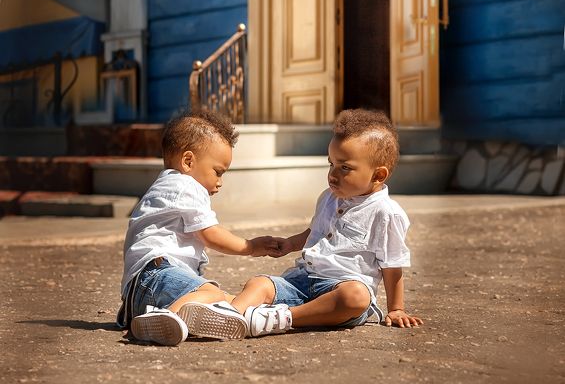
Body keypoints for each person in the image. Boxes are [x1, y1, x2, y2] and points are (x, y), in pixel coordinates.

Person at [180, 108, 423, 338]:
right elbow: (314, 233)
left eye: (345, 167)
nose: (333, 174)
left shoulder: (386, 213)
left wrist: (396, 308)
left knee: (357, 298)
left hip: (341, 288)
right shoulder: (328, 198)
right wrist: (289, 244)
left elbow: (392, 265)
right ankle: (229, 316)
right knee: (260, 283)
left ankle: (283, 318)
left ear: (378, 175)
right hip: (302, 280)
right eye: (331, 164)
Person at [117, 107, 280, 345]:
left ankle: (172, 317)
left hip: (141, 292)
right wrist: (252, 246)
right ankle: (166, 317)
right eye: (217, 172)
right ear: (188, 161)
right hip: (156, 276)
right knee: (211, 293)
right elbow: (210, 234)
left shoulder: (166, 184)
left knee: (224, 301)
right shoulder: (186, 185)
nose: (220, 182)